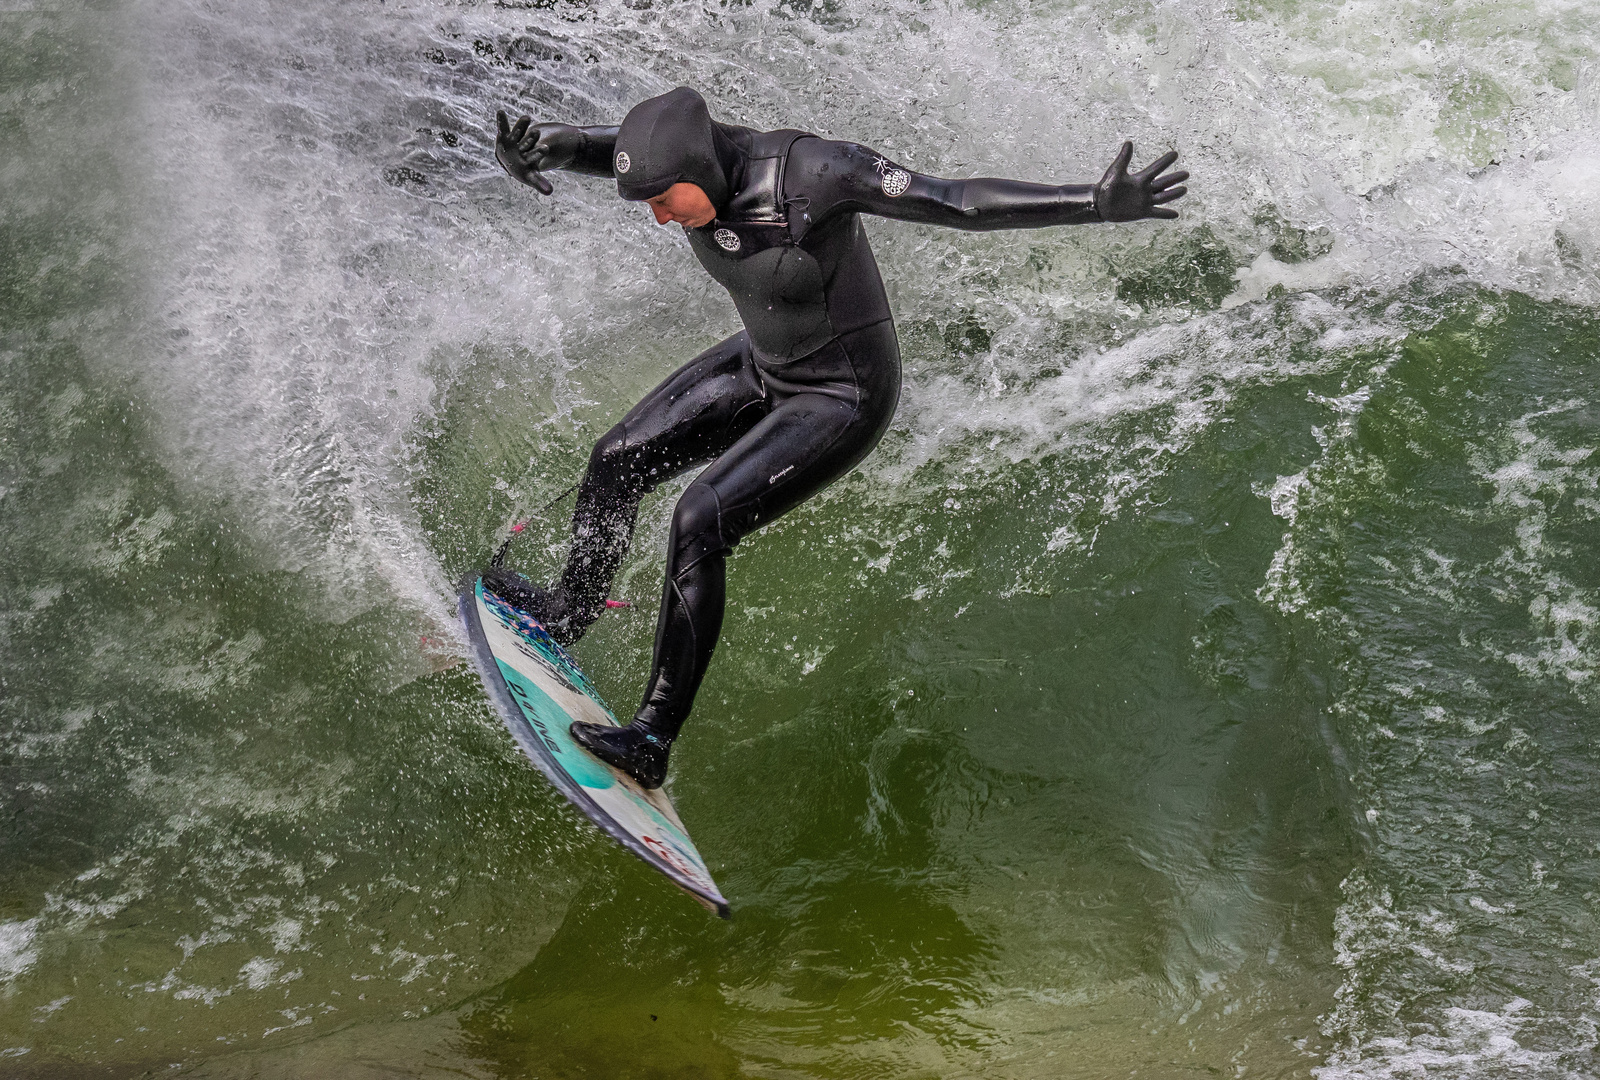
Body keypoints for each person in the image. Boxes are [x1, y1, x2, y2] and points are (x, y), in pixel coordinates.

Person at [486, 87, 1187, 789]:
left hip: (842, 393)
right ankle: (567, 611)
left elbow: (954, 200)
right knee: (616, 460)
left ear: (699, 169)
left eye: (665, 199)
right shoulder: (684, 161)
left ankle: (652, 738)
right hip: (764, 363)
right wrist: (550, 149)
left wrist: (1092, 203)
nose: (658, 214)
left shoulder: (814, 173)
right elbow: (595, 149)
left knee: (699, 517)